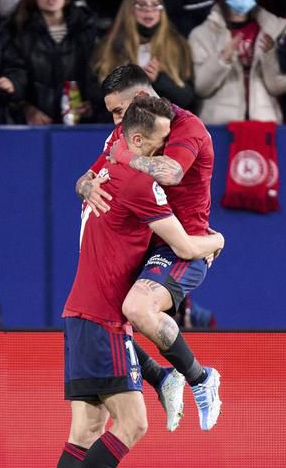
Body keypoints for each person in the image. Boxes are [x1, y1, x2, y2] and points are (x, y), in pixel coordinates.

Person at [46, 96, 225, 468]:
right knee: (134, 423)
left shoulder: (104, 169)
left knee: (85, 429)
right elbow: (185, 244)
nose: (169, 147)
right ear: (140, 138)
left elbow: (86, 180)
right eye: (163, 140)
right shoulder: (138, 181)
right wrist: (220, 240)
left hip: (78, 311)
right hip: (104, 318)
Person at [75, 64, 222, 433]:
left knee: (136, 308)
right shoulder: (123, 135)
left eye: (119, 111)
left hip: (180, 247)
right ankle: (162, 377)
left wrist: (124, 158)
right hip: (141, 246)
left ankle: (201, 379)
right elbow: (86, 176)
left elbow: (171, 173)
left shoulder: (188, 128)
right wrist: (86, 186)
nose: (116, 121)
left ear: (141, 99)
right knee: (91, 315)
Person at [0, 0, 101, 125]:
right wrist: (14, 86)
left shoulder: (86, 28)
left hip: (79, 122)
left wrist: (93, 104)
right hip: (39, 123)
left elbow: (96, 73)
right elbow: (17, 70)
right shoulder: (21, 32)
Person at [188, 0, 286, 124]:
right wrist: (223, 58)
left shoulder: (274, 30)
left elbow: (279, 87)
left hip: (264, 125)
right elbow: (201, 88)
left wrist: (269, 55)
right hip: (220, 127)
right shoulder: (202, 34)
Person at [92, 0, 195, 110]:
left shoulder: (177, 46)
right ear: (129, 10)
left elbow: (186, 98)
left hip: (162, 126)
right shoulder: (108, 47)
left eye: (155, 5)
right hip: (118, 126)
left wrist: (159, 79)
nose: (149, 10)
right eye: (141, 5)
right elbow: (93, 94)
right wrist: (123, 85)